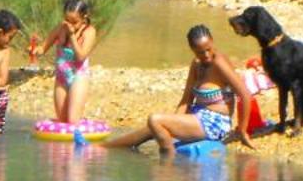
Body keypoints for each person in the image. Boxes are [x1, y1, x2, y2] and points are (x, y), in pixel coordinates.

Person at [104, 24, 256, 154]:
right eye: (200, 52)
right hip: (197, 116)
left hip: (215, 123)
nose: (206, 55)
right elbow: (186, 101)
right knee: (153, 127)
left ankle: (168, 163)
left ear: (212, 41)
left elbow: (245, 94)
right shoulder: (196, 64)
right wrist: (175, 121)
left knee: (155, 120)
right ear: (192, 49)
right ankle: (102, 148)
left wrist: (242, 130)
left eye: (208, 49)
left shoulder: (219, 62)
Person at [27, 0, 98, 126]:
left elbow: (81, 56)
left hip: (78, 77)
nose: (69, 25)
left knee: (72, 120)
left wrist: (71, 36)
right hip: (61, 78)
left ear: (84, 18)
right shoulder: (60, 28)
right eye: (67, 20)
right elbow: (43, 48)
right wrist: (35, 50)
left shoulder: (89, 32)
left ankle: (78, 141)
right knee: (62, 121)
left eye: (74, 22)